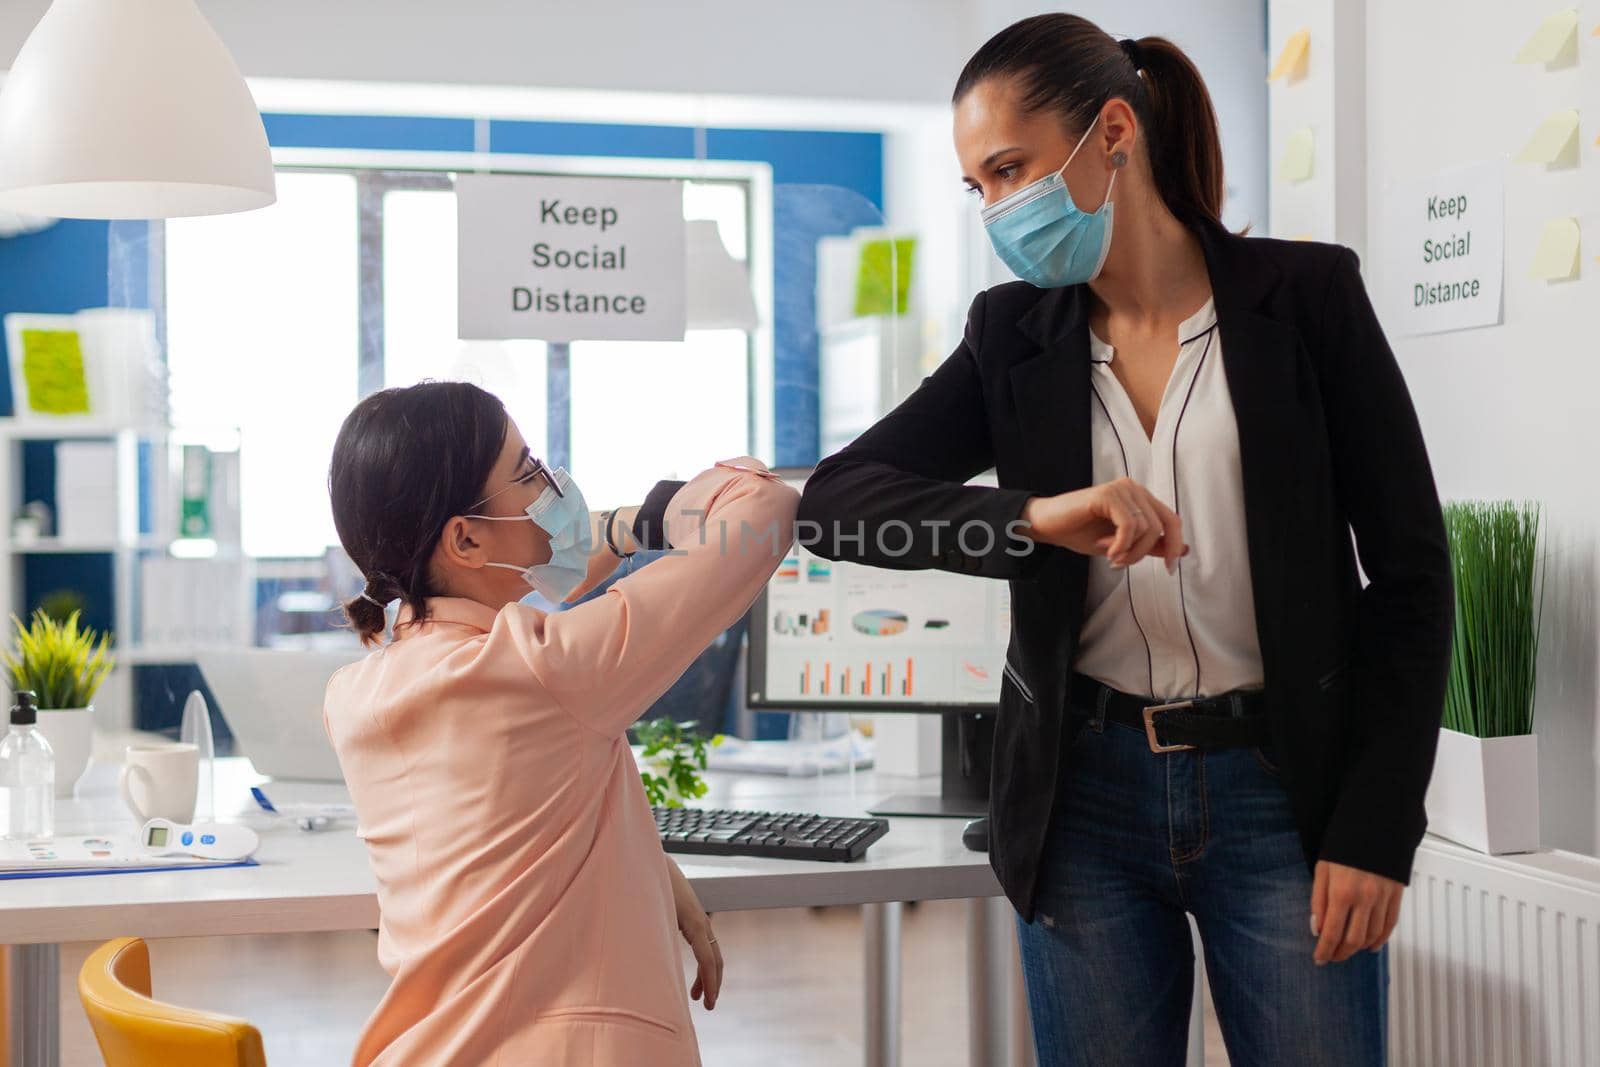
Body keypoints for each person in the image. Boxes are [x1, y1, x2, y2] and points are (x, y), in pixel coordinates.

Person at [796, 13, 1452, 1065]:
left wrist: (1377, 828)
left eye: (1010, 169)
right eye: (978, 186)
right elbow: (834, 502)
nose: (997, 208)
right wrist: (1034, 516)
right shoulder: (1012, 332)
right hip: (1082, 795)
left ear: (1112, 131)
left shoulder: (1308, 298)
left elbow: (1412, 578)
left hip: (1281, 793)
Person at [322, 381, 797, 1065]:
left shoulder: (358, 692)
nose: (552, 484)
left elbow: (501, 841)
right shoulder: (546, 669)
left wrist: (646, 864)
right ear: (464, 536)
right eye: (527, 472)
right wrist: (656, 513)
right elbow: (766, 509)